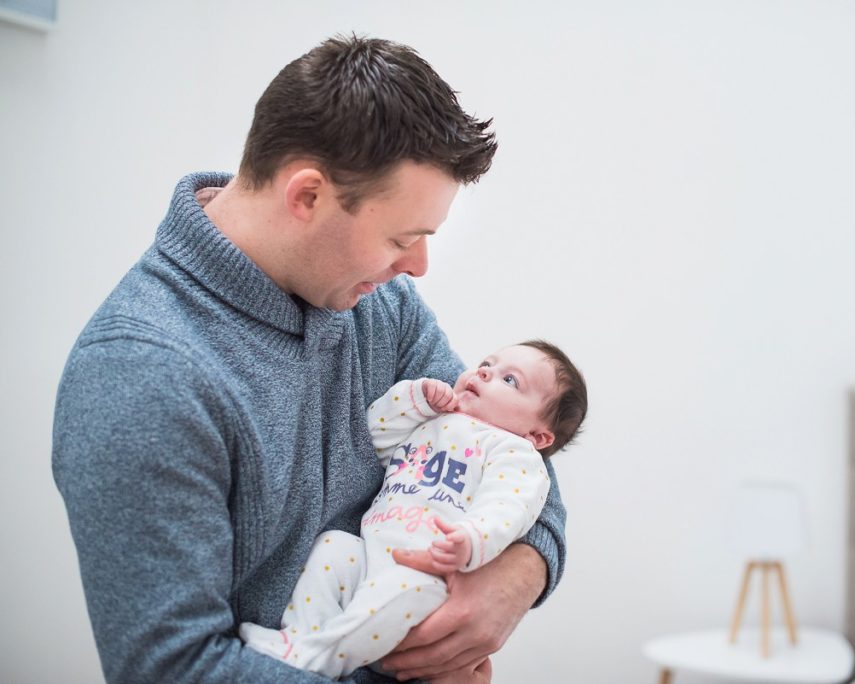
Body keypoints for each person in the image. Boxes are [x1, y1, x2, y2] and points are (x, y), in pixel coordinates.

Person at [52, 35, 568, 684]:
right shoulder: (142, 375)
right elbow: (174, 668)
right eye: (402, 238)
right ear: (307, 197)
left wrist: (518, 578)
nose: (418, 267)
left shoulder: (384, 307)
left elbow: (511, 446)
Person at [240, 341, 587, 679]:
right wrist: (413, 400)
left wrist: (471, 538)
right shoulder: (433, 420)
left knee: (409, 584)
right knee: (334, 545)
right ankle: (299, 636)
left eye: (509, 380)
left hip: (428, 578)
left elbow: (507, 506)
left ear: (539, 437)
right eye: (486, 365)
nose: (483, 374)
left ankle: (322, 655)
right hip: (370, 554)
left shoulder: (514, 454)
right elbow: (372, 441)